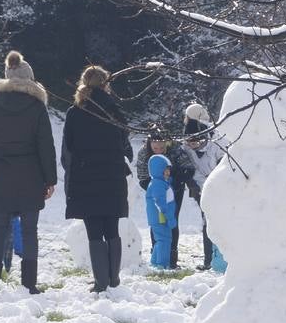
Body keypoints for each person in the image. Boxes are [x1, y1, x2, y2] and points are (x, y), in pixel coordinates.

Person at [0, 50, 57, 300]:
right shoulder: (37, 108)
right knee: (29, 231)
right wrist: (50, 179)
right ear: (30, 80)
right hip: (31, 176)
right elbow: (46, 147)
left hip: (2, 176)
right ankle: (29, 285)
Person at [61, 65, 132, 293]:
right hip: (113, 177)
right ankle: (114, 278)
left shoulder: (75, 112)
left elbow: (67, 149)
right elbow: (124, 141)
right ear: (105, 84)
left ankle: (100, 281)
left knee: (94, 230)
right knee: (112, 228)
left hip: (85, 177)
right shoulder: (115, 111)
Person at [134, 126, 195, 269]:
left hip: (174, 190)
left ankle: (171, 257)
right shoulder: (144, 153)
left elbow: (188, 168)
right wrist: (156, 188)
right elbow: (142, 176)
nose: (159, 149)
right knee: (157, 224)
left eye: (162, 146)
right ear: (149, 144)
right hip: (155, 191)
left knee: (172, 221)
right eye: (155, 147)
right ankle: (157, 255)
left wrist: (173, 182)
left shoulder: (175, 149)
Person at [181, 103, 224, 271]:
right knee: (207, 222)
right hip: (201, 187)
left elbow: (223, 166)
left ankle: (222, 257)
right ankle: (208, 259)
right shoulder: (186, 148)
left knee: (220, 221)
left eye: (195, 141)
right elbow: (192, 169)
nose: (192, 145)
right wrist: (194, 185)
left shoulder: (216, 144)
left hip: (220, 186)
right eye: (189, 142)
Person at [145, 154, 177, 270]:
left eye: (168, 170)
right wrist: (169, 217)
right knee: (165, 240)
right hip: (161, 218)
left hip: (158, 218)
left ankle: (155, 263)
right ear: (158, 170)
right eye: (165, 170)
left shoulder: (159, 183)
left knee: (160, 240)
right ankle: (162, 265)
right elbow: (160, 202)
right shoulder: (158, 184)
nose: (168, 172)